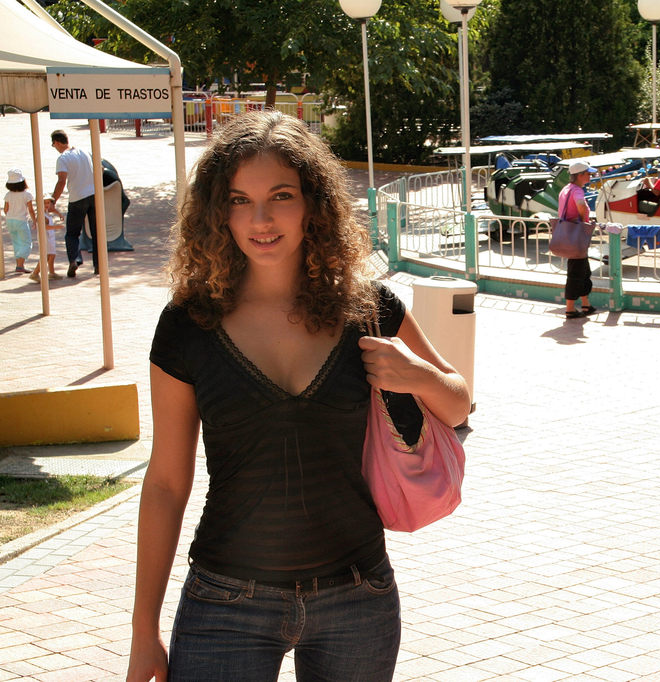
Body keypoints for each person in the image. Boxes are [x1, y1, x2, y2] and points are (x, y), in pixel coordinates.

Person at [127, 111, 471, 682]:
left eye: (281, 196)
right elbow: (165, 484)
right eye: (240, 200)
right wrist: (144, 633)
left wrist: (418, 376)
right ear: (218, 211)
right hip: (225, 606)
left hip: (358, 601)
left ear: (313, 203)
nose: (261, 220)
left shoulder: (369, 308)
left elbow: (457, 405)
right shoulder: (188, 324)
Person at [51, 129, 97, 278]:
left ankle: (74, 259)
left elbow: (61, 181)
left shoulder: (63, 158)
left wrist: (53, 200)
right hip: (94, 195)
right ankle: (99, 265)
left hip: (77, 198)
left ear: (57, 142)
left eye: (53, 145)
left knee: (72, 233)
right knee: (97, 232)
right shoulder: (84, 152)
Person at [559, 160, 598, 319]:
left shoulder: (566, 189)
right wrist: (583, 222)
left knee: (584, 270)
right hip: (577, 234)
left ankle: (585, 304)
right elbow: (581, 205)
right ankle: (570, 308)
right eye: (588, 174)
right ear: (580, 175)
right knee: (576, 271)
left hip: (569, 234)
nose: (590, 176)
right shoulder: (577, 191)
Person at [3, 168, 35, 274]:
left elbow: (5, 209)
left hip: (10, 220)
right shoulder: (26, 194)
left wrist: (11, 215)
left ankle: (19, 265)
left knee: (16, 242)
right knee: (26, 243)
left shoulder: (8, 194)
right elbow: (31, 210)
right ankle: (20, 265)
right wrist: (34, 221)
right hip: (21, 220)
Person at [29, 196, 65, 282]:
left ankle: (52, 273)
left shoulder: (46, 211)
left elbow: (52, 209)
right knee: (45, 256)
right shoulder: (41, 215)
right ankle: (35, 273)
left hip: (50, 236)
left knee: (52, 254)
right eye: (44, 203)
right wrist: (56, 227)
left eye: (48, 203)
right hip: (45, 237)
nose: (47, 205)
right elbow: (44, 227)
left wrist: (59, 214)